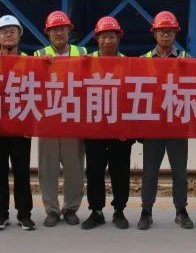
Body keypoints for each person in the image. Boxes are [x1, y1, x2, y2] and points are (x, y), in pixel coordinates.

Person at [138, 11, 193, 230]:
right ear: (154, 34)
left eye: (170, 31)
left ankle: (181, 210)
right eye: (161, 31)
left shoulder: (186, 60)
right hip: (153, 125)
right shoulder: (143, 61)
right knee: (149, 172)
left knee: (180, 172)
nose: (166, 35)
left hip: (176, 124)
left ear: (175, 33)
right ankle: (146, 211)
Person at [33, 10, 86, 228]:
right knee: (48, 168)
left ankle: (71, 208)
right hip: (48, 120)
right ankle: (52, 210)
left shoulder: (82, 53)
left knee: (75, 168)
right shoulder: (38, 55)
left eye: (62, 29)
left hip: (73, 119)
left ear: (69, 31)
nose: (58, 33)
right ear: (47, 33)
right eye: (54, 30)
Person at [81, 16, 133, 230]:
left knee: (120, 171)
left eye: (112, 36)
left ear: (118, 38)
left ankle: (119, 210)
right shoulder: (85, 62)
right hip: (94, 127)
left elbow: (133, 96)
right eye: (103, 37)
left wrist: (129, 129)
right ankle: (96, 211)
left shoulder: (129, 64)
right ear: (97, 39)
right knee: (94, 170)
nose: (107, 41)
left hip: (120, 128)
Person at [0, 15, 36, 231]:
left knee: (22, 173)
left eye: (12, 31)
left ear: (19, 35)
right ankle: (0, 215)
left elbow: (37, 94)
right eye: (4, 32)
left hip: (20, 127)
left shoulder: (29, 62)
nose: (8, 35)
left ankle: (25, 215)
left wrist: (32, 126)